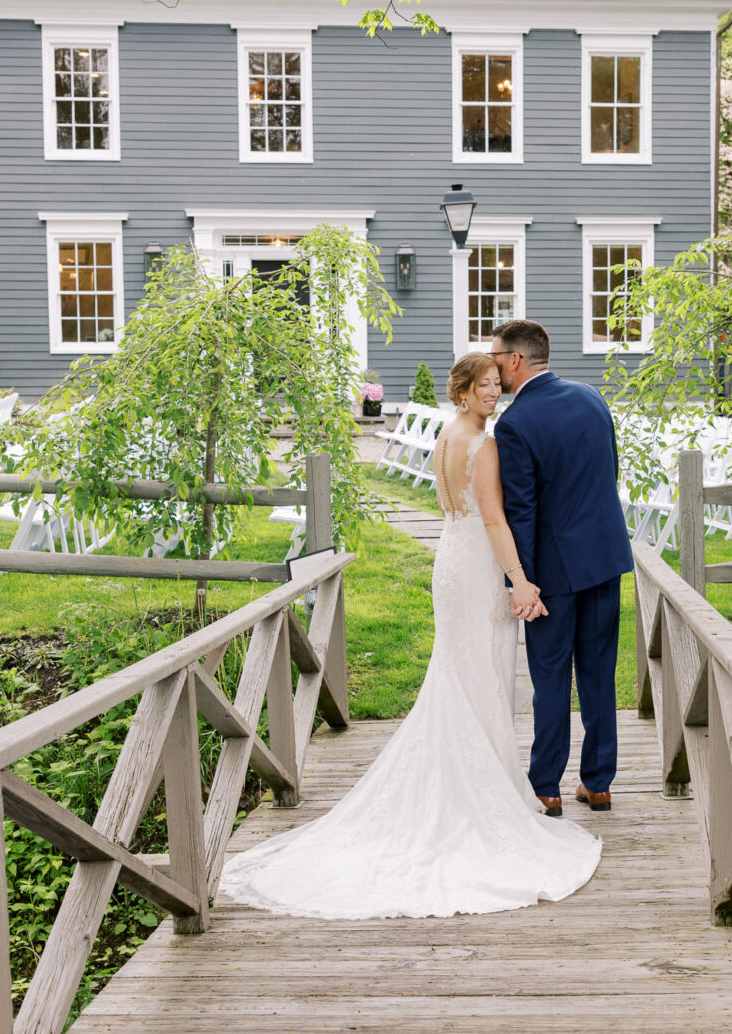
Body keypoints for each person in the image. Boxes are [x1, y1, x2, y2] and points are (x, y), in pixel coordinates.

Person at [219, 352, 601, 920]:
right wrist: (521, 581)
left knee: (461, 674)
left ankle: (467, 783)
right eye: (487, 386)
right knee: (480, 677)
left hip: (450, 562)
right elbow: (495, 521)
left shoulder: (449, 437)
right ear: (464, 392)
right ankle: (477, 799)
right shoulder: (484, 443)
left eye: (499, 384)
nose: (496, 394)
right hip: (474, 569)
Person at [490, 319, 633, 818]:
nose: (494, 368)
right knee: (599, 674)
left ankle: (547, 786)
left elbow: (522, 511)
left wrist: (522, 581)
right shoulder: (593, 398)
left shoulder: (514, 423)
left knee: (550, 678)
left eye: (496, 358)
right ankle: (598, 783)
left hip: (553, 572)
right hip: (605, 558)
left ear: (515, 360)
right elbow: (609, 472)